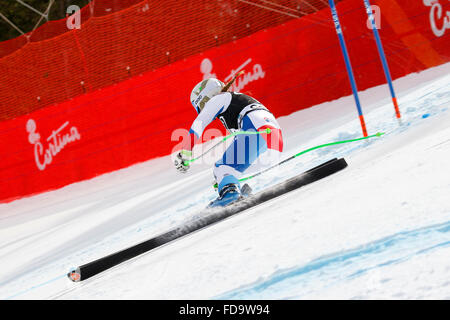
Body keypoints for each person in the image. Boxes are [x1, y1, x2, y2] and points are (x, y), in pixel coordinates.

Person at [174, 77, 283, 207]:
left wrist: (185, 152)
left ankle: (230, 195)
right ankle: (236, 190)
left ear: (205, 98)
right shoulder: (232, 100)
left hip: (255, 131)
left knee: (222, 168)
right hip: (274, 140)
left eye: (201, 105)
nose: (202, 109)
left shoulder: (218, 99)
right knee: (226, 171)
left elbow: (199, 123)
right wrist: (224, 180)